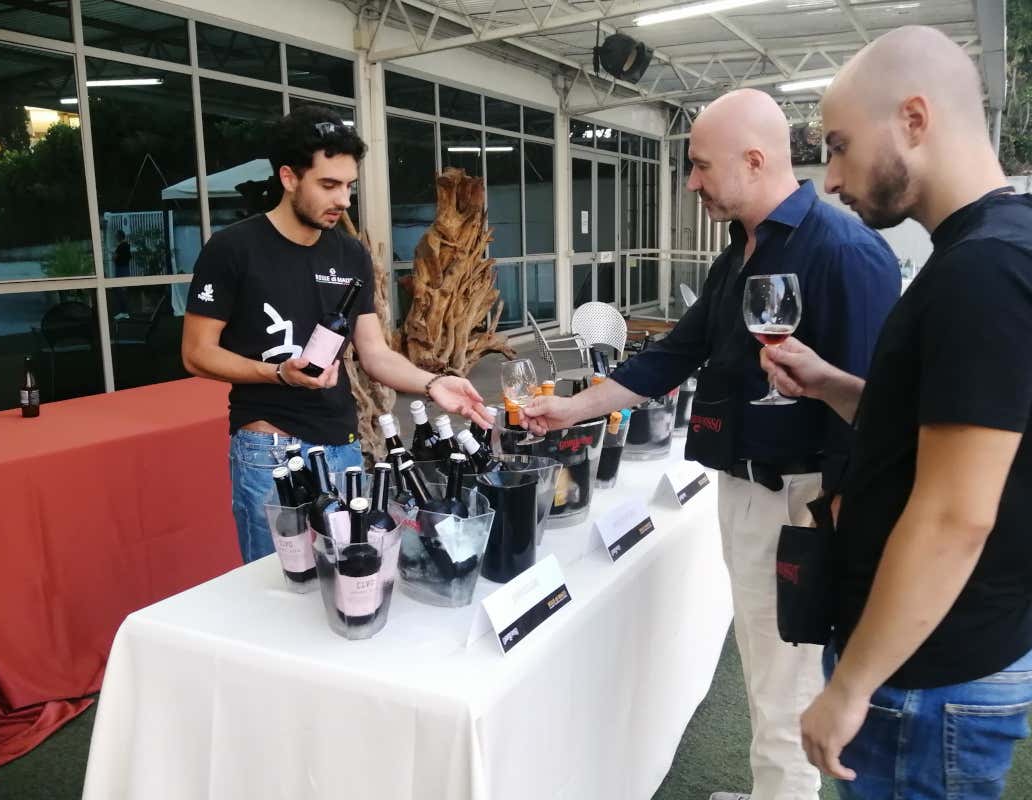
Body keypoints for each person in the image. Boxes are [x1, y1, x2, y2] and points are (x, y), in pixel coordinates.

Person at [523, 89, 901, 800]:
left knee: (787, 678)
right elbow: (675, 354)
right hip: (747, 487)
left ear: (754, 162)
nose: (690, 182)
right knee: (766, 665)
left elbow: (878, 409)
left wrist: (838, 519)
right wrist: (573, 408)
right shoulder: (741, 252)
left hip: (803, 502)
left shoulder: (846, 252)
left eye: (699, 165)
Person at [760, 26, 1032, 798]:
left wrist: (851, 685)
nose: (831, 179)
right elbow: (929, 433)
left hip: (929, 678)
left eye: (839, 147)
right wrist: (830, 384)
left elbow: (955, 515)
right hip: (936, 665)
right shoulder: (993, 252)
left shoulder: (989, 271)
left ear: (914, 119)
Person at [182, 107, 491, 563]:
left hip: (343, 447)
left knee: (351, 572)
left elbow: (374, 353)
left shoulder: (349, 255)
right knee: (280, 580)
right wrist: (278, 373)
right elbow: (196, 353)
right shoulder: (233, 248)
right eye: (329, 185)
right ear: (289, 177)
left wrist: (433, 382)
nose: (343, 199)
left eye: (349, 186)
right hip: (270, 449)